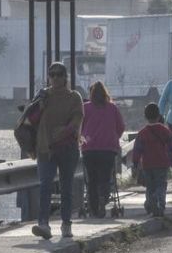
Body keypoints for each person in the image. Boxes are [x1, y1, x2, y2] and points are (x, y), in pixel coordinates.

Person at [31, 62, 83, 240]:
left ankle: (66, 224)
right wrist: (40, 104)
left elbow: (76, 121)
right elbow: (32, 119)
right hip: (45, 148)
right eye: (52, 74)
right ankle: (43, 223)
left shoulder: (74, 97)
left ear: (65, 77)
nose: (55, 78)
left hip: (67, 148)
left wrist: (62, 133)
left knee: (66, 187)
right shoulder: (43, 95)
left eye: (59, 74)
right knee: (45, 185)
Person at [80, 81, 125, 218]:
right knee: (105, 178)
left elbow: (78, 126)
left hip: (89, 149)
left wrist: (83, 138)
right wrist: (113, 137)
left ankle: (94, 208)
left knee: (91, 179)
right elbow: (121, 126)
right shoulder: (112, 108)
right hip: (108, 149)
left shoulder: (85, 108)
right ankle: (103, 199)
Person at [132, 103, 172, 217]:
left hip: (147, 164)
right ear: (159, 116)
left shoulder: (142, 133)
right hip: (162, 163)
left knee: (150, 186)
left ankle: (149, 205)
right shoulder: (165, 130)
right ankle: (159, 205)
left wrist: (135, 163)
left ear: (145, 117)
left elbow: (137, 150)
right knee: (161, 185)